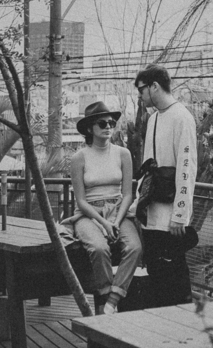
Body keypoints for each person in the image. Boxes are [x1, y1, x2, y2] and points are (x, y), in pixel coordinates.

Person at [69, 101, 142, 315]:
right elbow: (80, 201)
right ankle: (103, 294)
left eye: (111, 122)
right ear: (90, 128)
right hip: (88, 213)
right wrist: (102, 223)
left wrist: (116, 222)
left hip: (118, 210)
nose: (108, 126)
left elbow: (128, 193)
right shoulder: (79, 158)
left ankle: (112, 299)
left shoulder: (123, 154)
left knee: (135, 248)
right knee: (99, 248)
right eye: (102, 123)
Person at [134, 64, 198, 306]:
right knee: (157, 276)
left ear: (154, 86)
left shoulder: (182, 117)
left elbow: (187, 167)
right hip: (151, 210)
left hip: (171, 213)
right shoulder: (153, 119)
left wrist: (181, 215)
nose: (140, 95)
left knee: (176, 279)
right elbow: (147, 165)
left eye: (141, 89)